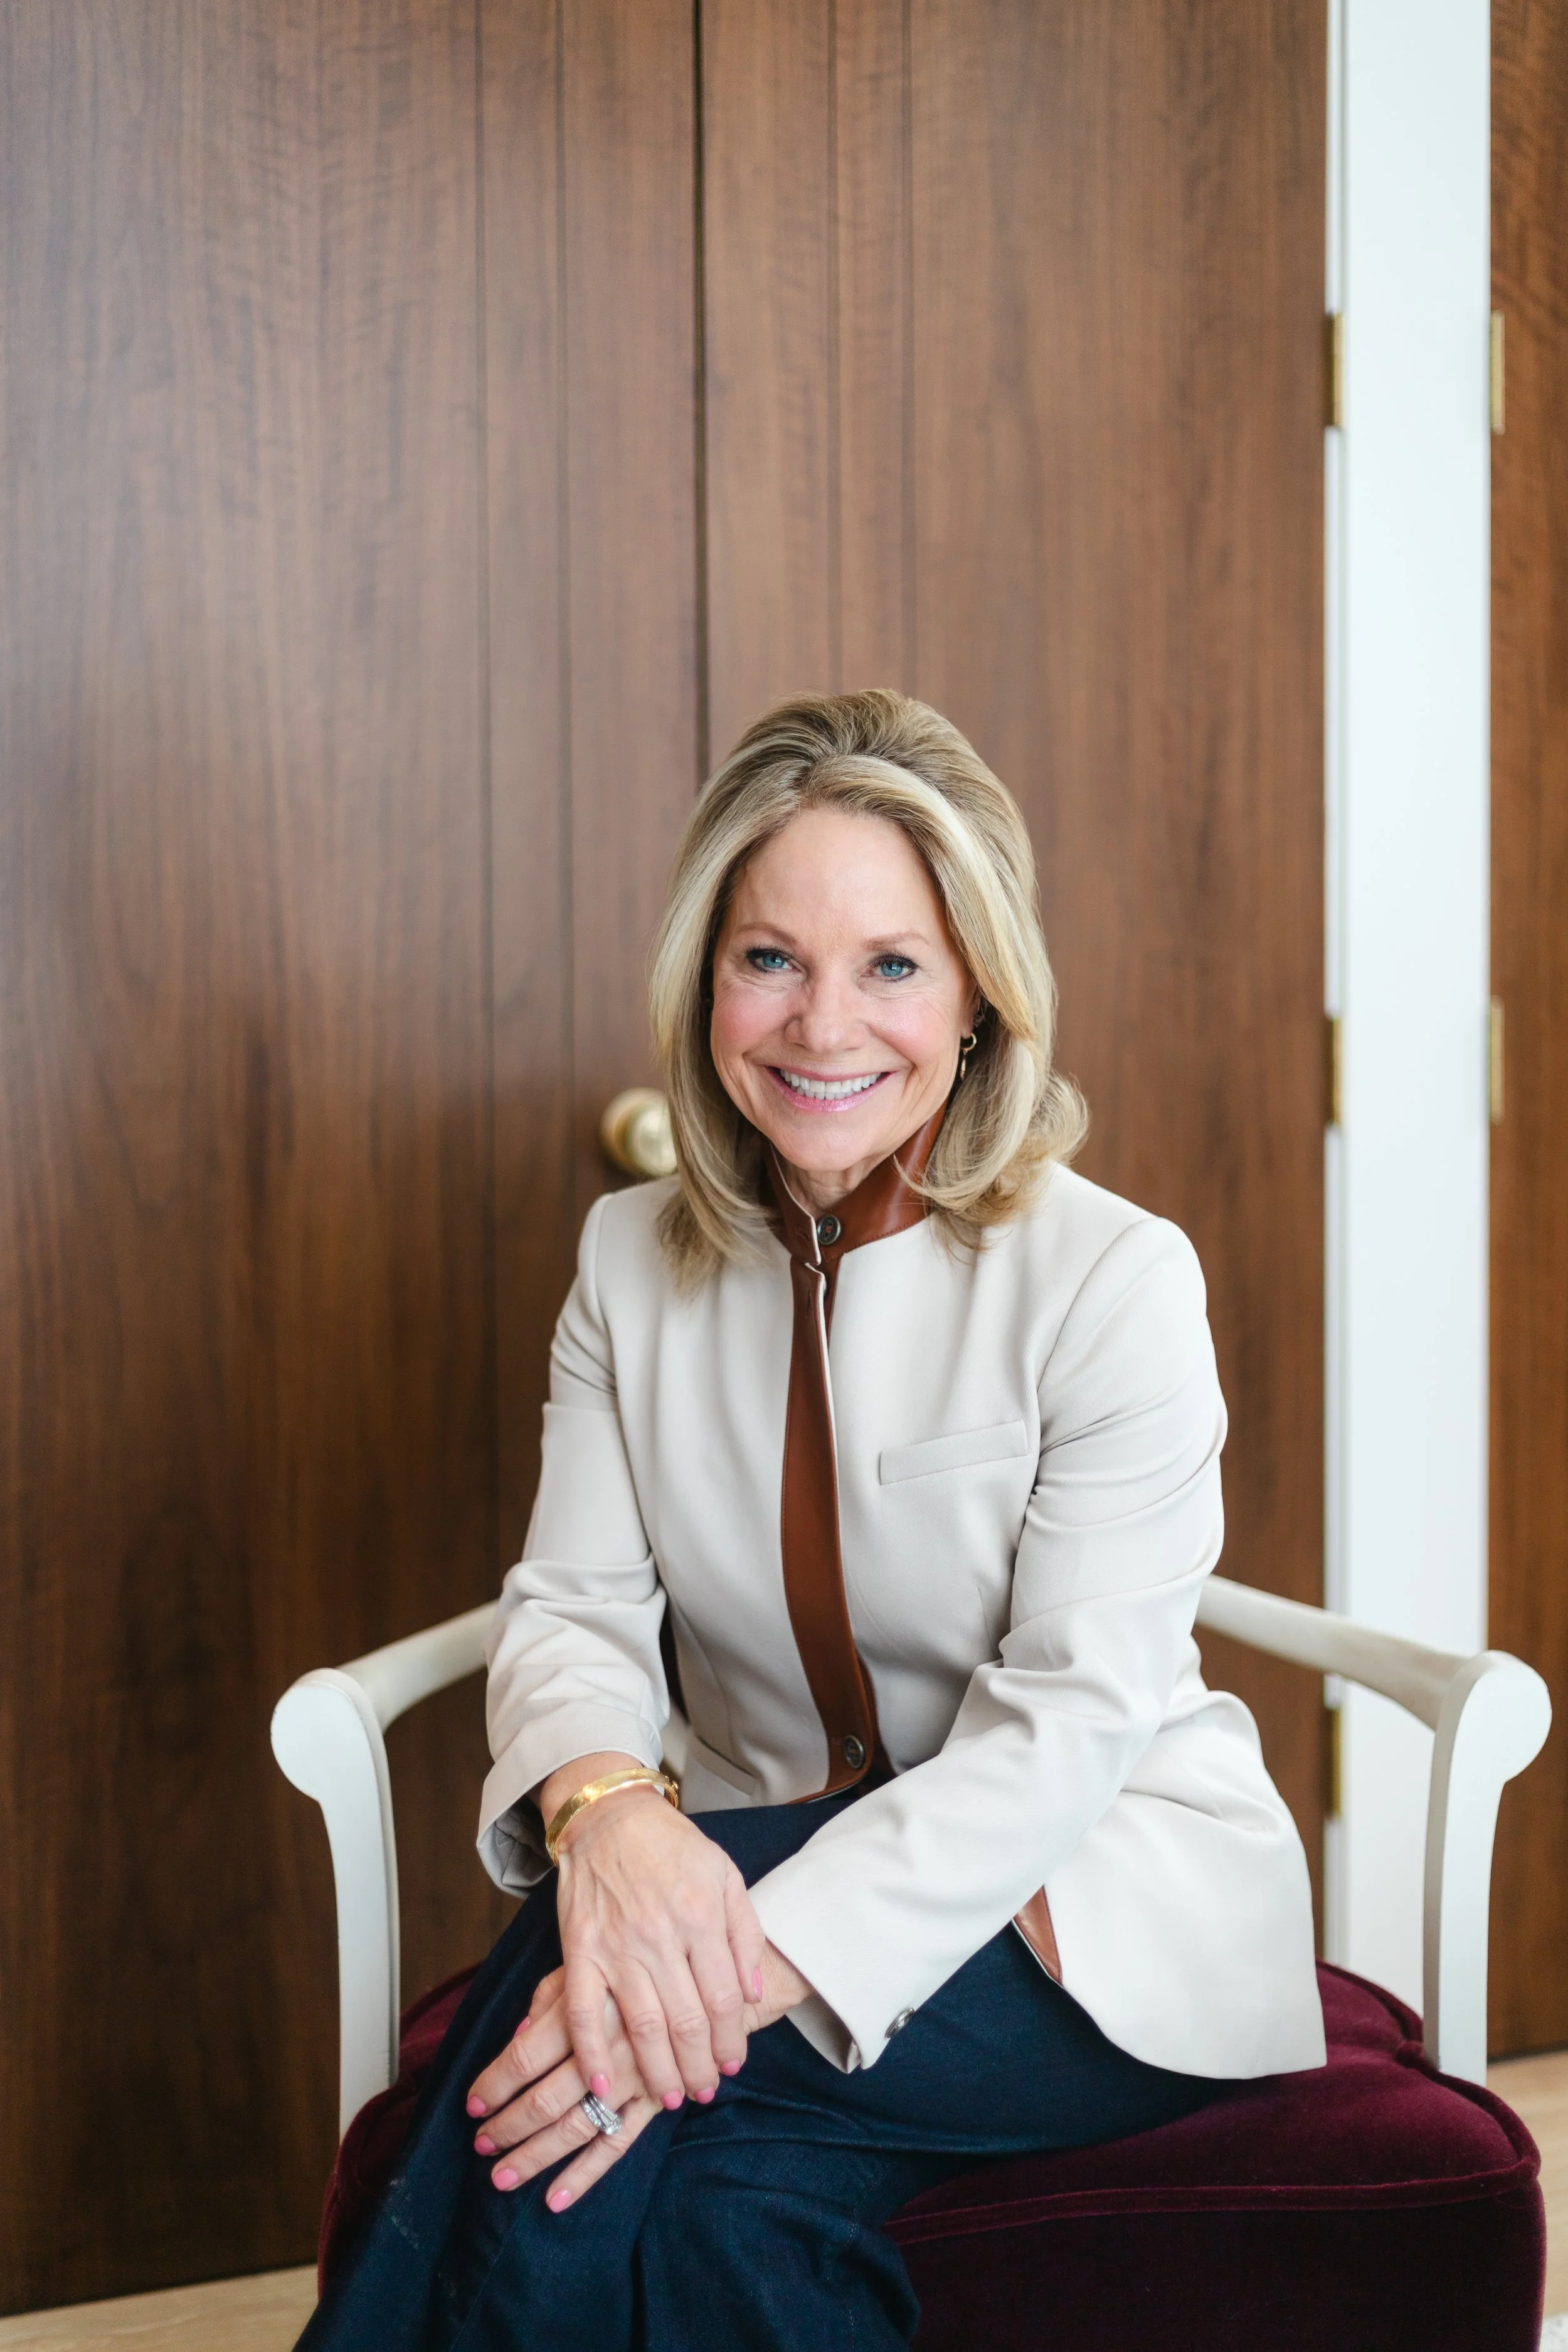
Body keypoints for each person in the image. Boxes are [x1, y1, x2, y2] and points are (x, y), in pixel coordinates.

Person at [302, 690, 1325, 2352]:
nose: (820, 1023)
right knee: (718, 2203)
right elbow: (567, 1604)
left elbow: (1066, 1727)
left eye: (891, 964)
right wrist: (608, 1815)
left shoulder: (1112, 1279)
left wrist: (733, 1949)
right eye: (769, 957)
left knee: (564, 2048)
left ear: (983, 989)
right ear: (703, 979)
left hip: (1083, 1911)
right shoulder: (629, 1263)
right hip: (743, 1844)